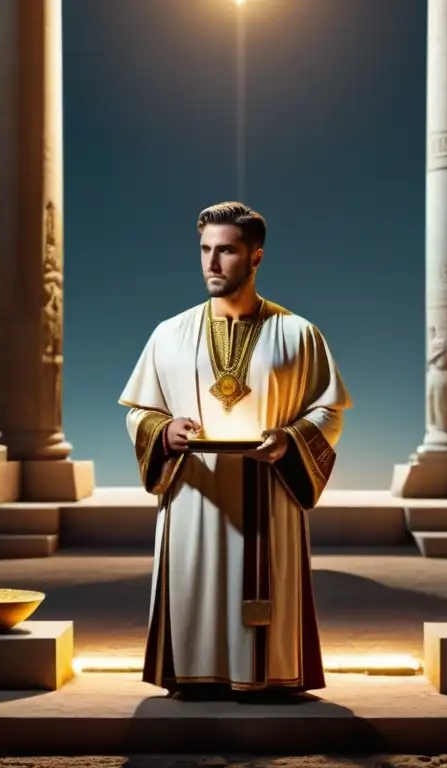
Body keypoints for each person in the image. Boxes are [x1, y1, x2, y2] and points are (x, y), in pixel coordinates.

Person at [119, 201, 352, 701]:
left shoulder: (299, 334)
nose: (212, 262)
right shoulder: (168, 335)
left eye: (226, 250)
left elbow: (328, 412)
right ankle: (195, 675)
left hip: (268, 494)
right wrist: (164, 432)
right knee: (193, 589)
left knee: (262, 592)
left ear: (256, 257)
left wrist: (291, 439)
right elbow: (139, 411)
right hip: (193, 499)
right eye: (205, 250)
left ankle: (265, 676)